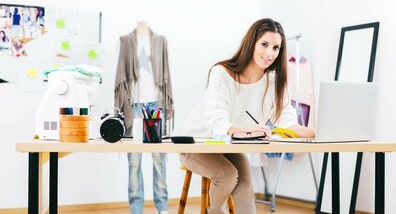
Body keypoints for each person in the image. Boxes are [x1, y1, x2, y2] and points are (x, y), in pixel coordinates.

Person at [180, 18, 315, 214]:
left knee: (244, 187)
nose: (270, 53)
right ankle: (215, 211)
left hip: (230, 146)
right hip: (197, 142)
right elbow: (217, 123)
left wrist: (319, 132)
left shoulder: (274, 81)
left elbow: (287, 122)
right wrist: (247, 130)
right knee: (227, 174)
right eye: (265, 45)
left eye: (276, 48)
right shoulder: (222, 73)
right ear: (252, 42)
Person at [114, 22, 173, 214]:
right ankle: (136, 208)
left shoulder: (160, 41)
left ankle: (162, 207)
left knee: (159, 159)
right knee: (134, 161)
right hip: (134, 106)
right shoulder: (125, 41)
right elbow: (121, 77)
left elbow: (165, 74)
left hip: (155, 105)